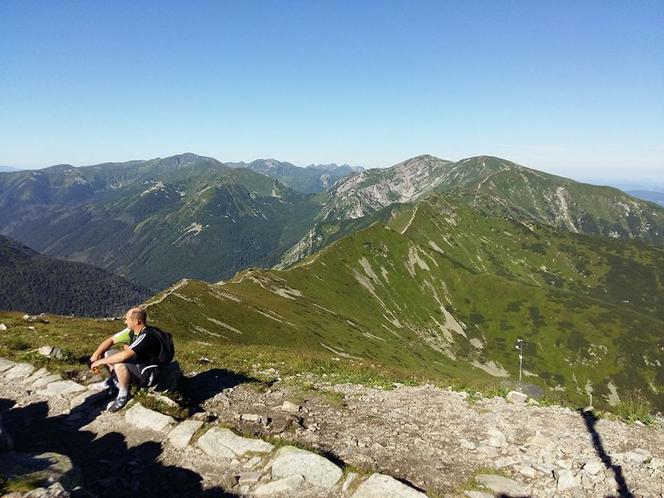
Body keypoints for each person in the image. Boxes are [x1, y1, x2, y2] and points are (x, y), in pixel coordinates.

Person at [90, 307, 162, 412]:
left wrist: (99, 362)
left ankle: (123, 394)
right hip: (138, 364)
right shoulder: (133, 331)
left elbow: (123, 356)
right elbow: (111, 340)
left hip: (148, 373)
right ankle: (118, 382)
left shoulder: (146, 336)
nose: (125, 322)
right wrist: (95, 356)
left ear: (136, 322)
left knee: (119, 364)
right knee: (108, 354)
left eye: (127, 319)